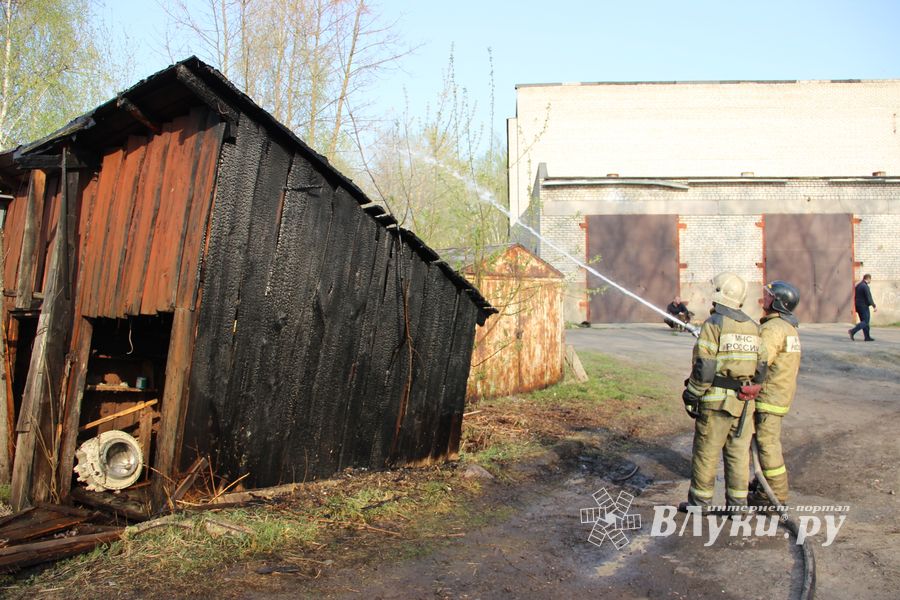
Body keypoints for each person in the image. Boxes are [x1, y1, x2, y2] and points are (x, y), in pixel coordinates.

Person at [681, 272, 767, 510]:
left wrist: (692, 394)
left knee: (706, 454)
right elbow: (762, 367)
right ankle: (738, 507)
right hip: (743, 404)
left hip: (716, 403)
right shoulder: (753, 326)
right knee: (738, 455)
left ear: (720, 295)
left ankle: (700, 504)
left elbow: (705, 366)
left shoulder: (714, 324)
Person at [750, 281, 802, 505]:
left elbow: (760, 362)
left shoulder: (773, 329)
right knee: (766, 442)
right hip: (780, 395)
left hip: (768, 396)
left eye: (769, 295)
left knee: (767, 444)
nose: (765, 298)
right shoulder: (788, 328)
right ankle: (766, 485)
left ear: (778, 302)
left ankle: (774, 496)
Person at [849, 274, 876, 341]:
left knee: (864, 321)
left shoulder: (858, 285)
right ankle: (852, 331)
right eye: (870, 279)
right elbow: (869, 297)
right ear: (868, 279)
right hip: (864, 306)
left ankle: (867, 337)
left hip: (858, 306)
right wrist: (874, 306)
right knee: (866, 321)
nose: (870, 281)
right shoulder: (865, 286)